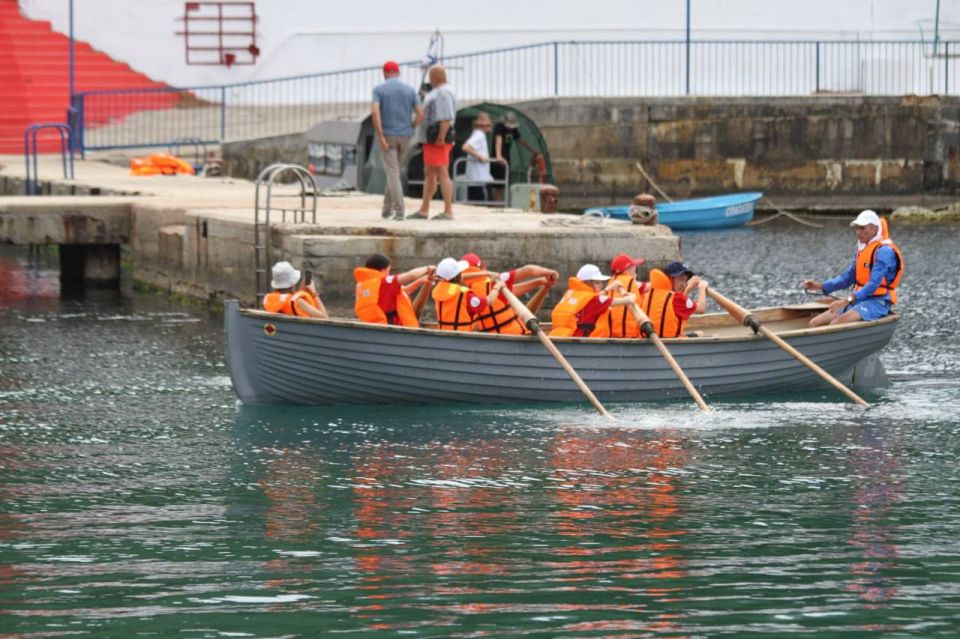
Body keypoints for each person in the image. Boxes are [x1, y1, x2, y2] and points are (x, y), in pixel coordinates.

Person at [802, 209, 903, 327]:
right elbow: (848, 277)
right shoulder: (862, 249)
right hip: (858, 299)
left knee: (835, 324)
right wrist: (820, 286)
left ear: (874, 229)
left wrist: (848, 300)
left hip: (877, 301)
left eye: (862, 228)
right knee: (814, 323)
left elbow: (874, 284)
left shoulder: (884, 251)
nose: (858, 232)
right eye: (857, 228)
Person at [371, 60, 423, 221]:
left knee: (392, 172)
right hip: (405, 136)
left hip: (389, 135)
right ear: (398, 73)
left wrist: (380, 136)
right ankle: (386, 210)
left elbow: (375, 113)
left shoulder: (379, 90)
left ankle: (399, 211)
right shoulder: (410, 90)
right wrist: (412, 127)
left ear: (384, 73)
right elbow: (421, 113)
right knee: (394, 172)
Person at [460, 252, 559, 334]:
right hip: (516, 336)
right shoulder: (495, 283)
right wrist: (547, 272)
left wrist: (539, 283)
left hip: (492, 339)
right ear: (483, 266)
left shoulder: (463, 292)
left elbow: (510, 293)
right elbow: (528, 270)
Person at [409, 65, 456, 221]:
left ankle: (448, 210)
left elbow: (445, 117)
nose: (429, 79)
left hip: (437, 139)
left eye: (431, 76)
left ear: (436, 77)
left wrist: (441, 136)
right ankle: (424, 209)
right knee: (429, 173)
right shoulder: (438, 92)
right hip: (431, 140)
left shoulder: (443, 92)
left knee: (442, 173)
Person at [549, 264, 637, 337]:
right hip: (581, 341)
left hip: (563, 336)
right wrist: (632, 295)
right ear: (588, 283)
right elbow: (627, 300)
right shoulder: (594, 300)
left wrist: (609, 288)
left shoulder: (573, 293)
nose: (601, 285)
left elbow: (595, 298)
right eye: (597, 282)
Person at [354, 253, 435, 328]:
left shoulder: (366, 284)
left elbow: (403, 292)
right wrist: (429, 268)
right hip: (395, 329)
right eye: (388, 270)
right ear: (382, 270)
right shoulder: (384, 283)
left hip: (379, 328)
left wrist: (420, 281)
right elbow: (412, 275)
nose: (388, 273)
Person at [431, 257, 505, 331]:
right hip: (461, 338)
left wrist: (487, 273)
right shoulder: (463, 294)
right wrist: (497, 287)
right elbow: (489, 301)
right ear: (457, 276)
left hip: (444, 335)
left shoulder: (437, 290)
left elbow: (456, 278)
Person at [639, 261, 708, 338]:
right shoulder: (676, 297)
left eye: (685, 280)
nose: (684, 284)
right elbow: (701, 309)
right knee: (700, 334)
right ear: (669, 279)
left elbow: (681, 306)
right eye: (681, 279)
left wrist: (688, 289)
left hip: (649, 340)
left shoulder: (648, 294)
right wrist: (702, 287)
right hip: (671, 343)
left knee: (698, 333)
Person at [603, 254, 650, 338]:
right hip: (630, 334)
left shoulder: (612, 282)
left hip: (612, 333)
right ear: (627, 270)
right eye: (634, 271)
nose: (636, 275)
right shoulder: (633, 283)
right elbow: (652, 287)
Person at [262, 261, 329, 319]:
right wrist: (314, 292)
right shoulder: (299, 302)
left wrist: (301, 291)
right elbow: (325, 318)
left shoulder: (268, 300)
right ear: (292, 284)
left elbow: (291, 306)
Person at [492, 110, 540, 189]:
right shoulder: (499, 127)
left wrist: (532, 150)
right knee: (498, 185)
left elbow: (520, 140)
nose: (510, 128)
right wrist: (498, 155)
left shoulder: (513, 130)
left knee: (505, 183)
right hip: (497, 160)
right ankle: (499, 200)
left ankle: (504, 200)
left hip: (506, 159)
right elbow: (498, 139)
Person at [461, 112, 495, 203]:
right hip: (478, 179)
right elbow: (465, 147)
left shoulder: (477, 134)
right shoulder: (479, 135)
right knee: (481, 204)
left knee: (474, 204)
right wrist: (480, 157)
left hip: (476, 178)